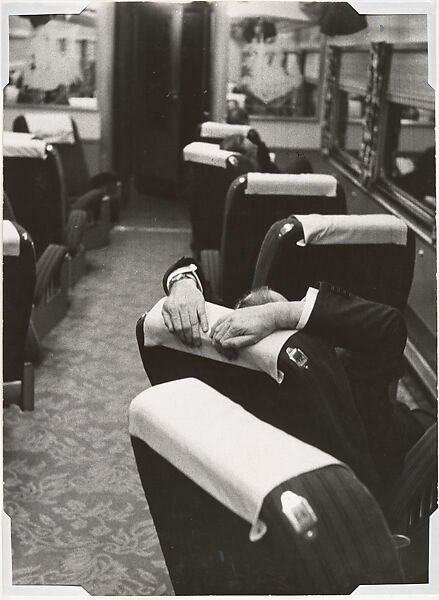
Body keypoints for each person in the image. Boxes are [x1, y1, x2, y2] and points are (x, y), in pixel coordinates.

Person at [159, 257, 429, 494]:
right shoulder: (337, 383)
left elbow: (184, 268)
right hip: (398, 462)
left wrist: (182, 284)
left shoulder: (227, 387)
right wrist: (282, 314)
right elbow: (388, 325)